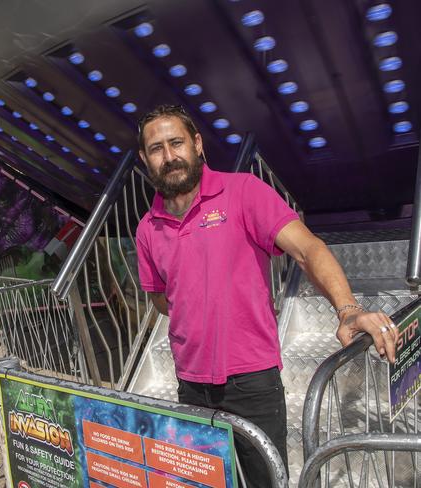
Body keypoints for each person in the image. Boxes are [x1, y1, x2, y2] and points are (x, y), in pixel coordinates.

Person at [135, 105, 399, 486]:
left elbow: (308, 249)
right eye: (156, 148)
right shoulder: (148, 228)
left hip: (251, 384)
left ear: (197, 144)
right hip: (190, 385)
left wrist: (348, 309)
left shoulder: (242, 191)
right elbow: (161, 298)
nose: (169, 156)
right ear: (145, 159)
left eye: (176, 143)